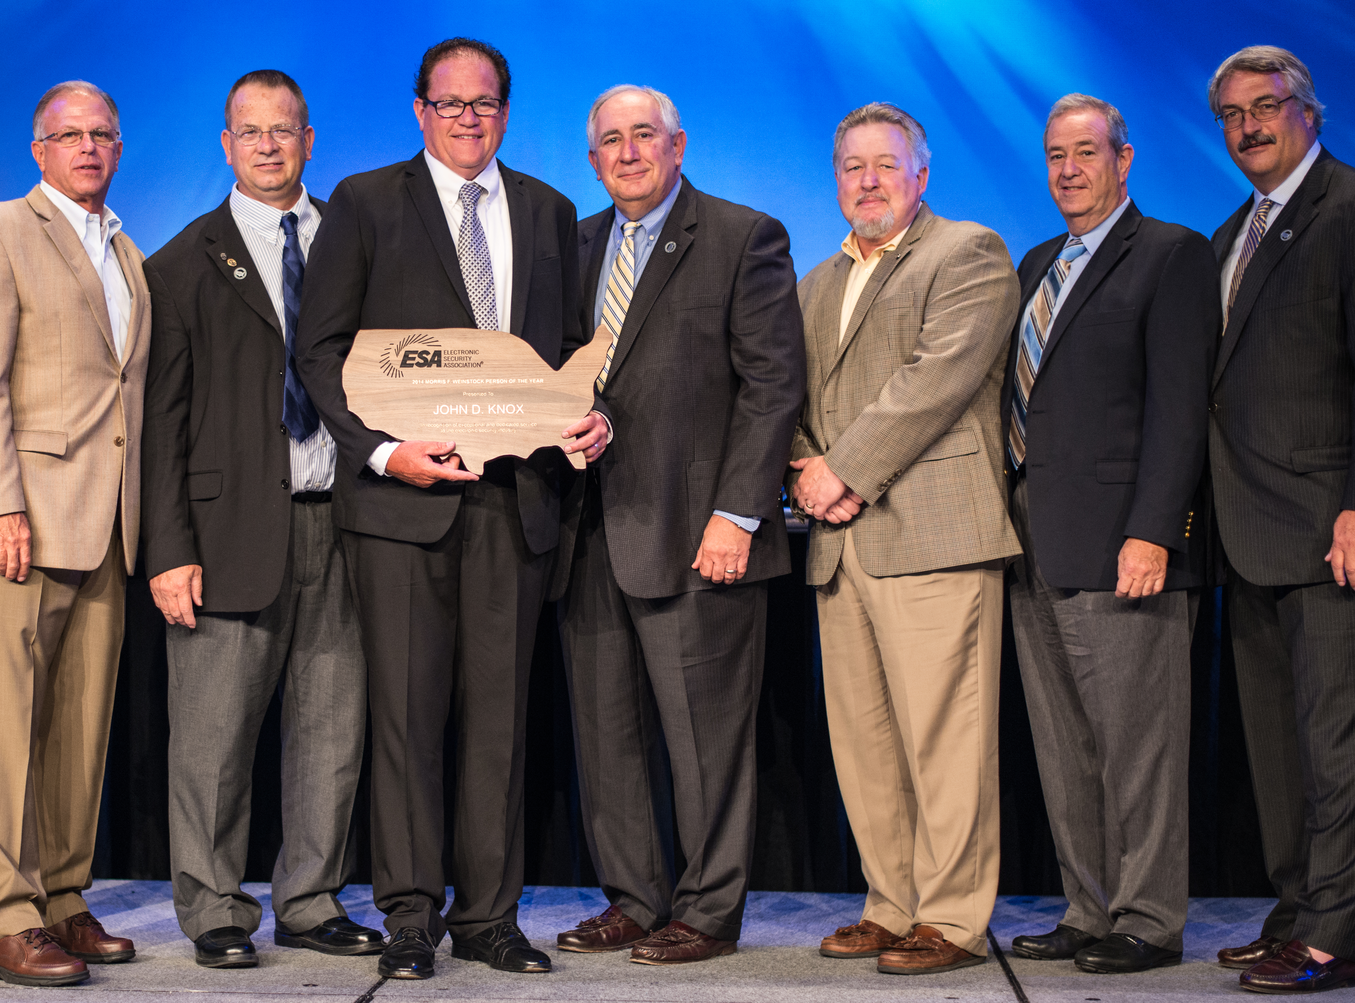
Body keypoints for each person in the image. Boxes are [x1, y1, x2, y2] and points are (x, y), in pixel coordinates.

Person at [295, 37, 589, 982]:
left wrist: (590, 420)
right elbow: (319, 349)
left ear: (507, 111)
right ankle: (412, 913)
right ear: (419, 110)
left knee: (500, 723)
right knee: (409, 719)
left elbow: (576, 354)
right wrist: (384, 452)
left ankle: (490, 916)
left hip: (517, 505)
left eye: (487, 103)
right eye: (451, 103)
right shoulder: (365, 201)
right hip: (400, 506)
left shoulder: (549, 210)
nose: (469, 118)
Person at [1202, 45, 1355, 995]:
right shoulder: (1234, 233)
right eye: (1231, 114)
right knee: (1284, 753)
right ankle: (1298, 913)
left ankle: (1335, 937)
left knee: (1349, 747)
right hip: (1256, 539)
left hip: (1348, 536)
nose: (1249, 126)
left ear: (1310, 111)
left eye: (1266, 106)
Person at [554, 84, 802, 965]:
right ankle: (632, 896)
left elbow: (773, 386)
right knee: (607, 737)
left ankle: (706, 908)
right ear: (593, 160)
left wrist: (737, 513)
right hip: (587, 536)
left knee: (706, 744)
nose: (628, 153)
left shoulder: (744, 236)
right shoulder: (573, 244)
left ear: (679, 144)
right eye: (611, 141)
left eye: (644, 136)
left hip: (702, 537)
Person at [142, 68, 381, 969]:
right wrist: (168, 548)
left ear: (311, 139)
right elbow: (159, 424)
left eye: (285, 130)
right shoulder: (180, 262)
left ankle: (312, 900)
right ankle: (213, 909)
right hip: (225, 532)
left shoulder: (356, 245)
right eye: (251, 132)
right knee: (211, 744)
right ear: (226, 146)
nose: (269, 145)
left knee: (332, 731)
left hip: (346, 526)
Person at [788, 102, 1020, 976]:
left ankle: (954, 917)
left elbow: (936, 380)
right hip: (842, 542)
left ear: (921, 174)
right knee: (866, 742)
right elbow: (791, 401)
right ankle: (891, 904)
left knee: (945, 738)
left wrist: (837, 472)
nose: (869, 180)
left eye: (887, 164)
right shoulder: (815, 282)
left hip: (934, 532)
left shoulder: (969, 253)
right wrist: (805, 466)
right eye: (853, 166)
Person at [999, 93, 1217, 975]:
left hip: (1126, 545)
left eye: (1086, 152)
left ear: (1124, 161)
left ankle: (1149, 919)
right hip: (1036, 544)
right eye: (1055, 154)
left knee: (1138, 748)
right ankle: (1089, 907)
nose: (1068, 169)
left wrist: (1155, 531)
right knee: (1066, 747)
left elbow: (1179, 410)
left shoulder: (1172, 254)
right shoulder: (1038, 260)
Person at [0, 79, 150, 987]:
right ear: (39, 150)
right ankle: (1, 914)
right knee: (0, 724)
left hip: (106, 524)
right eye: (69, 135)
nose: (88, 147)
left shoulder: (125, 246)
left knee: (79, 726)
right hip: (23, 521)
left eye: (103, 133)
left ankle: (62, 896)